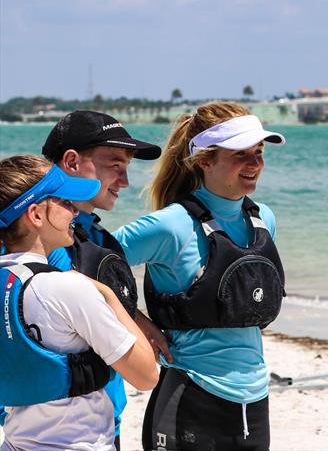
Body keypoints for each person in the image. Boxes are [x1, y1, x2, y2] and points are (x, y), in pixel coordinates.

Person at [114, 101, 286, 451]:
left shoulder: (262, 220)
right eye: (241, 154)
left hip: (254, 400)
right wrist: (136, 321)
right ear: (205, 160)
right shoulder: (171, 225)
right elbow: (85, 266)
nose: (254, 164)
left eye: (259, 152)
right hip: (191, 397)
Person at [0, 154, 159, 451]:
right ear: (35, 215)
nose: (75, 212)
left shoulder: (6, 282)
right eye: (65, 203)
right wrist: (108, 295)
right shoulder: (66, 287)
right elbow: (146, 375)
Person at [39, 110, 164, 449]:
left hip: (105, 421)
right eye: (115, 165)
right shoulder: (37, 237)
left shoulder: (97, 237)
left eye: (127, 169)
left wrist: (138, 321)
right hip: (57, 433)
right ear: (72, 162)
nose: (125, 182)